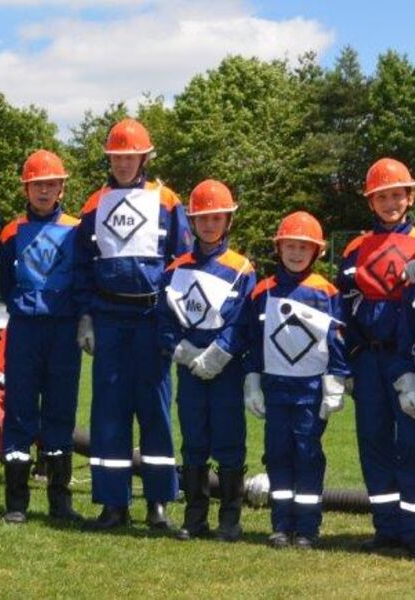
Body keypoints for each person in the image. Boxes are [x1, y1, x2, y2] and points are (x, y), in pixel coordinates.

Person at [75, 118, 192, 529]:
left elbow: (183, 262)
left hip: (152, 317)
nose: (123, 163)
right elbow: (82, 265)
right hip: (109, 318)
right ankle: (113, 503)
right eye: (116, 157)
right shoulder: (94, 203)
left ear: (144, 157)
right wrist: (86, 314)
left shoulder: (167, 199)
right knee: (109, 413)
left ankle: (159, 502)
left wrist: (174, 322)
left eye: (130, 156)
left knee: (156, 411)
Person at [158, 179, 255, 541]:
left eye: (217, 218)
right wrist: (181, 350)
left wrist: (220, 353)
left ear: (228, 221)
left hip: (226, 371)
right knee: (194, 440)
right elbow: (163, 318)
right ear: (192, 222)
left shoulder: (242, 268)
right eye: (203, 219)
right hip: (190, 371)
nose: (210, 225)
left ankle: (230, 519)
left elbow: (243, 319)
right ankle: (194, 517)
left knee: (230, 440)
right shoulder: (175, 269)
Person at [245, 211, 348, 549]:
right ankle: (280, 524)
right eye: (290, 245)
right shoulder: (263, 291)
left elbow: (336, 339)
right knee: (277, 454)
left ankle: (307, 527)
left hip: (310, 391)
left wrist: (336, 378)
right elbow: (254, 340)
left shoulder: (325, 291)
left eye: (304, 247)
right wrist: (253, 380)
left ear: (316, 252)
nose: (296, 253)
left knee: (307, 454)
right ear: (279, 248)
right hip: (275, 388)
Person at [0, 149, 82, 524]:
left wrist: (84, 320)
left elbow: (83, 280)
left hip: (64, 331)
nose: (44, 191)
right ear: (26, 189)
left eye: (51, 184)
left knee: (60, 412)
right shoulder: (10, 232)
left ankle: (59, 500)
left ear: (62, 188)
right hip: (25, 331)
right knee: (19, 411)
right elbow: (0, 284)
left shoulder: (78, 231)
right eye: (37, 185)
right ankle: (16, 502)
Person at [338, 157, 415, 553]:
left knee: (412, 445)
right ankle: (386, 529)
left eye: (396, 195)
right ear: (370, 203)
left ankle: (412, 530)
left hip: (409, 363)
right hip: (367, 361)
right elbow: (342, 308)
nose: (389, 203)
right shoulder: (354, 250)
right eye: (381, 197)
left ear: (409, 197)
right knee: (374, 442)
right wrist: (348, 359)